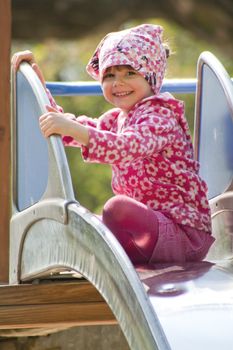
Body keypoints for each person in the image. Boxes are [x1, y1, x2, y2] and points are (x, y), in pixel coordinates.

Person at [12, 24, 215, 264]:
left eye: (130, 73)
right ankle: (106, 257)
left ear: (152, 76)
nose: (118, 82)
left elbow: (126, 147)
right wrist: (38, 83)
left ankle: (107, 258)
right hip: (148, 233)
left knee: (117, 210)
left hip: (183, 234)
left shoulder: (161, 115)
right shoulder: (118, 118)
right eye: (109, 75)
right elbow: (67, 129)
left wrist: (74, 128)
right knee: (85, 221)